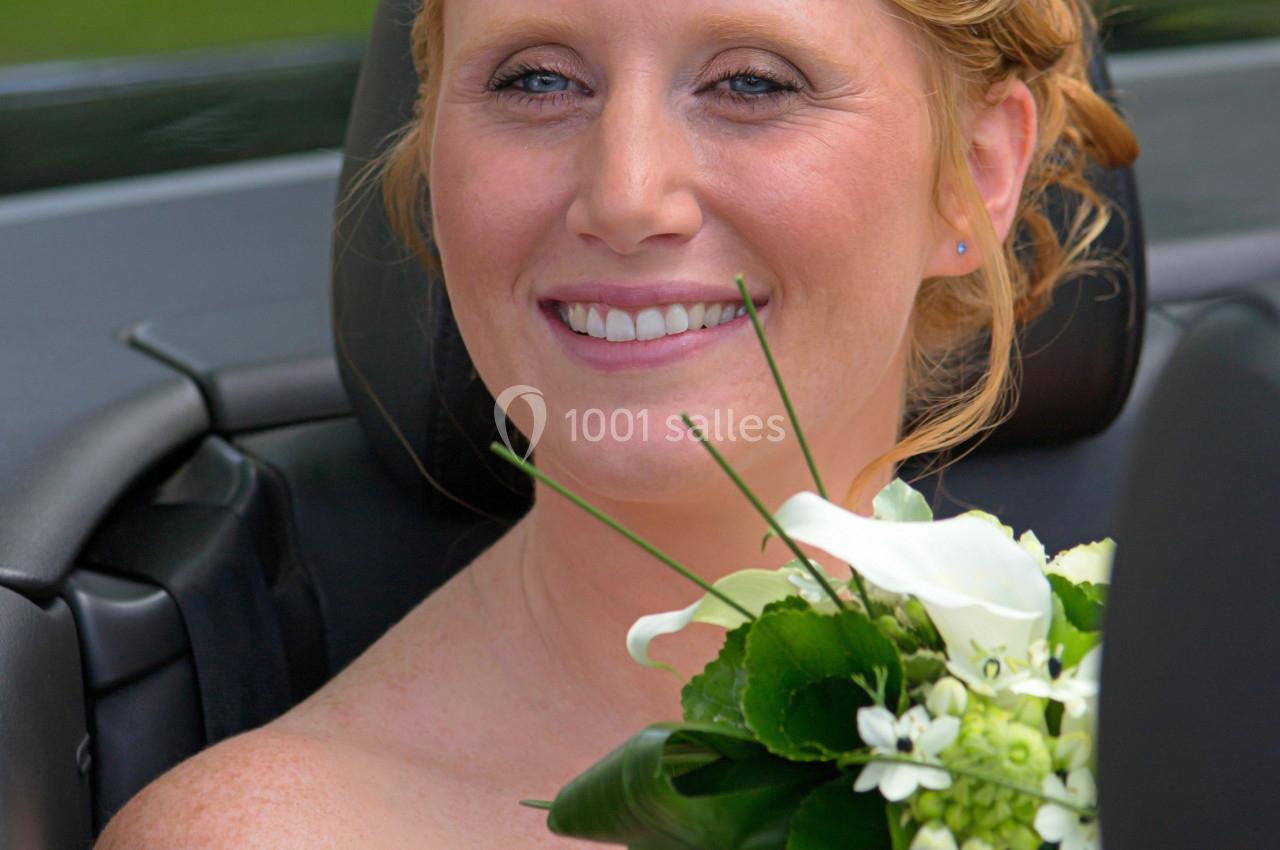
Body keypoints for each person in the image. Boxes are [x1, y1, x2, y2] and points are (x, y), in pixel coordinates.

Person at [97, 0, 1137, 846]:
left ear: (975, 176)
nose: (626, 192)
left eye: (750, 83)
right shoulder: (265, 834)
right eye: (536, 80)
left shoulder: (1172, 723)